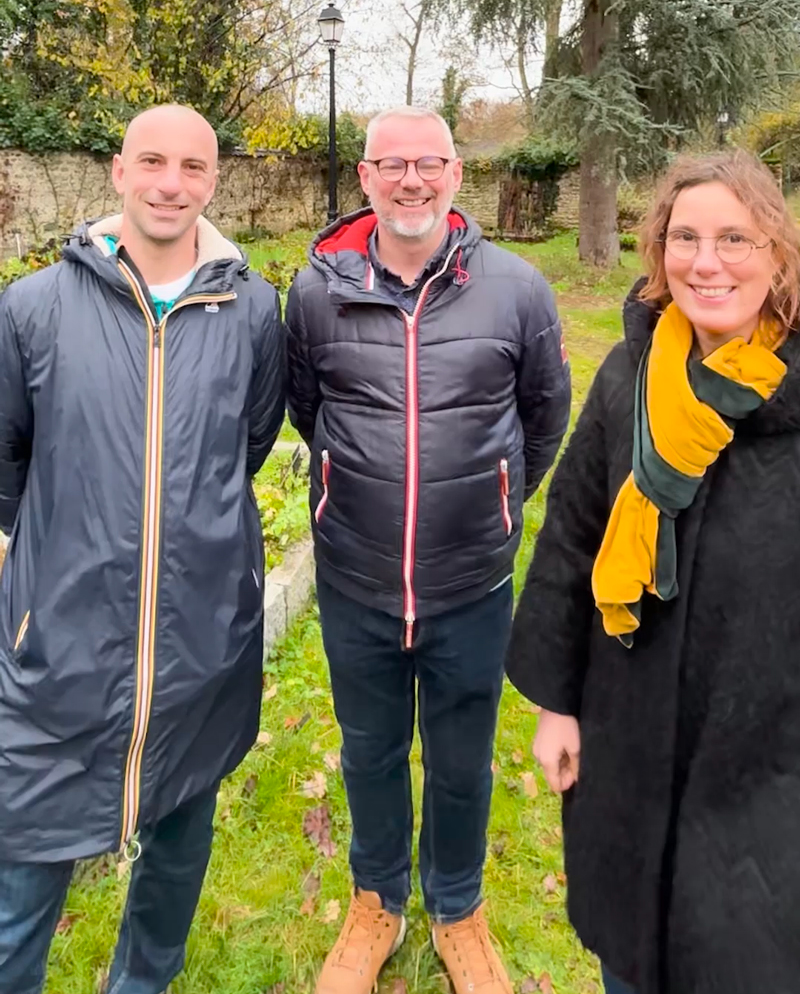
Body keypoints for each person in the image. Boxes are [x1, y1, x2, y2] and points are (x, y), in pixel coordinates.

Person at [0, 104, 285, 994]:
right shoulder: (34, 307)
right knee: (19, 886)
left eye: (193, 167)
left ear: (214, 181)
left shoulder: (252, 309)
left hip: (203, 649)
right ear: (118, 172)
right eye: (153, 161)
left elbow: (248, 445)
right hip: (61, 655)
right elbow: (10, 460)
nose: (172, 183)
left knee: (176, 854)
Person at [286, 105, 571, 994]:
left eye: (431, 162)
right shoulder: (316, 290)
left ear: (456, 174)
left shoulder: (518, 288)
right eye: (392, 163)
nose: (412, 178)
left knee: (460, 759)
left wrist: (490, 502)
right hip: (356, 580)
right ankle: (377, 899)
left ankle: (458, 906)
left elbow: (543, 418)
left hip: (470, 584)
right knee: (369, 754)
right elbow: (308, 408)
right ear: (365, 177)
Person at [506, 150, 800, 994]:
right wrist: (557, 704)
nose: (706, 261)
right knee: (631, 958)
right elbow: (570, 532)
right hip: (628, 728)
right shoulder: (632, 376)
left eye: (735, 238)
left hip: (769, 755)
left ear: (777, 252)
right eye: (686, 237)